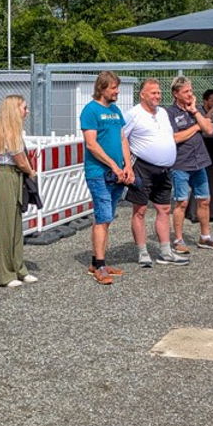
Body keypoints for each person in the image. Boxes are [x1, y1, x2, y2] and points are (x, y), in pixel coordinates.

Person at [124, 78, 188, 267]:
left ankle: (165, 252)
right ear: (142, 94)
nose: (157, 96)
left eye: (159, 92)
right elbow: (122, 139)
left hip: (164, 170)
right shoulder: (133, 114)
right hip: (142, 167)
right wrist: (127, 166)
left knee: (164, 209)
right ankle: (142, 252)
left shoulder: (163, 113)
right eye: (153, 92)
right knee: (140, 210)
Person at [80, 70, 133, 284]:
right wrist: (113, 165)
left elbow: (122, 139)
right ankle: (100, 266)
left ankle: (98, 261)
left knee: (107, 217)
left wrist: (128, 165)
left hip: (117, 173)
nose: (117, 91)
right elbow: (91, 144)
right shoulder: (90, 110)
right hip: (99, 173)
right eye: (113, 88)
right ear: (102, 88)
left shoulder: (115, 110)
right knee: (102, 216)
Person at [167, 76, 213, 252]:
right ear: (176, 94)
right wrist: (196, 127)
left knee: (204, 200)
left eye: (191, 91)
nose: (190, 94)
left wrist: (194, 112)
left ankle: (205, 237)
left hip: (199, 162)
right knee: (181, 202)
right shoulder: (169, 113)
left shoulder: (196, 109)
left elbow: (209, 129)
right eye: (186, 91)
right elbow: (175, 138)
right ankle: (178, 240)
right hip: (181, 163)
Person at [0, 95, 39, 288]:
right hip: (7, 176)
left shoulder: (13, 132)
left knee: (16, 226)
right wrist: (31, 172)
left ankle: (18, 268)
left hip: (13, 176)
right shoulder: (10, 133)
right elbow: (20, 160)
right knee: (5, 228)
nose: (27, 112)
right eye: (24, 108)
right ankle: (4, 273)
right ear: (14, 110)